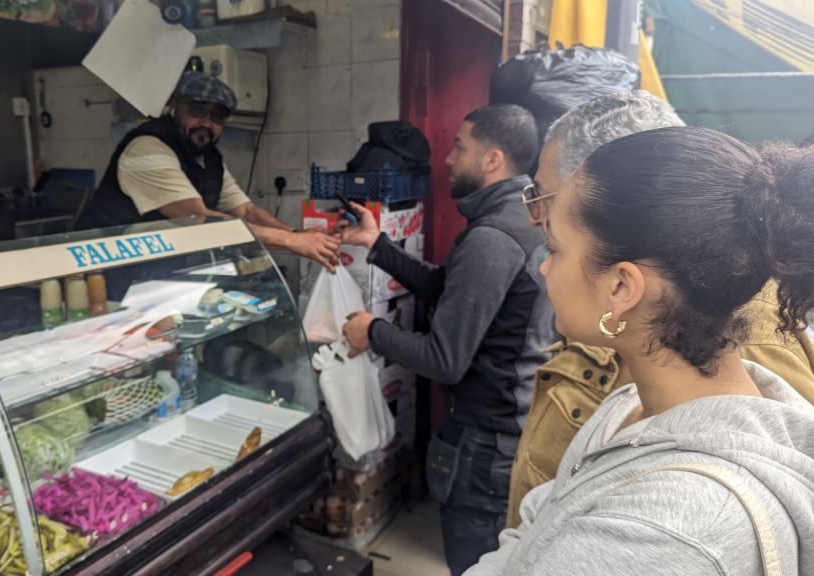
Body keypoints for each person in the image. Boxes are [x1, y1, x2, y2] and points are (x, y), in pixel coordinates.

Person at [465, 127, 814, 576]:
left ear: (621, 287)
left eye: (554, 248)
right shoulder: (628, 406)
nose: (543, 267)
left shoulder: (672, 534)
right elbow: (539, 518)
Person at [339, 104, 555, 576]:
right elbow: (446, 287)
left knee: (473, 562)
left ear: (493, 159)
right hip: (509, 429)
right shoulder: (522, 215)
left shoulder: (494, 236)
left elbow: (443, 359)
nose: (449, 159)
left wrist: (371, 332)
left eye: (460, 146)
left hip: (486, 447)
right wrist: (377, 246)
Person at [78, 71, 339, 270]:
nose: (206, 123)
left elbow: (246, 210)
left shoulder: (208, 158)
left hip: (155, 270)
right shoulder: (147, 149)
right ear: (174, 108)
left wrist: (297, 235)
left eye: (217, 117)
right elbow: (198, 219)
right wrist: (289, 242)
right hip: (106, 269)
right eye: (197, 111)